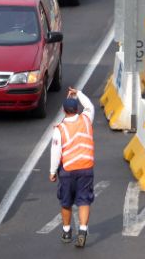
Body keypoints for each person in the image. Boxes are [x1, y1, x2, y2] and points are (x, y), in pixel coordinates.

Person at [50, 87, 95, 248]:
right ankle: (82, 231)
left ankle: (67, 231)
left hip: (68, 171)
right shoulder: (86, 119)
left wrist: (52, 172)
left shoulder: (60, 129)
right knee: (84, 201)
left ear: (63, 110)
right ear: (77, 109)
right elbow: (89, 106)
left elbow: (56, 152)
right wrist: (79, 94)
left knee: (66, 202)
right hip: (86, 168)